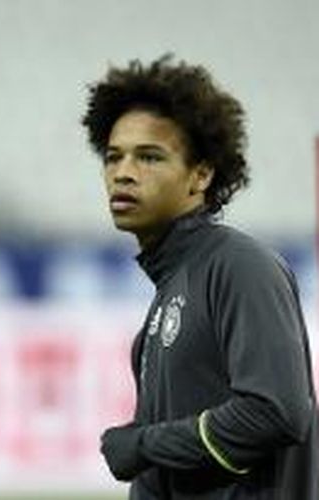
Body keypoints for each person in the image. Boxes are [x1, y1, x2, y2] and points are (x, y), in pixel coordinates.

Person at [81, 55, 319, 499]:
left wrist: (145, 443)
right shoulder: (165, 300)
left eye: (149, 157)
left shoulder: (239, 266)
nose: (124, 172)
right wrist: (145, 447)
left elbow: (277, 412)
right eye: (114, 158)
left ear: (201, 174)